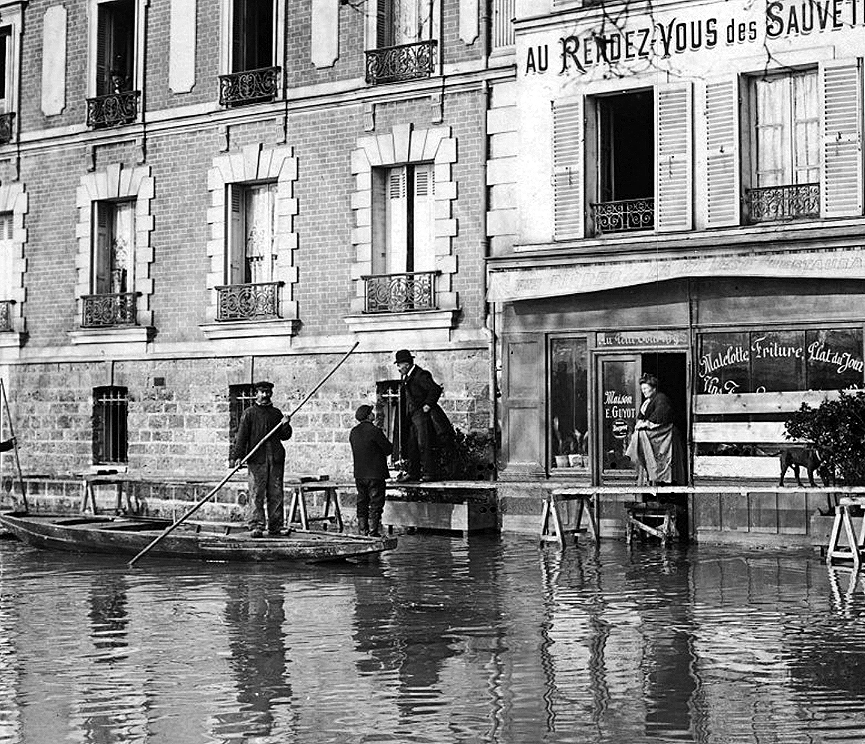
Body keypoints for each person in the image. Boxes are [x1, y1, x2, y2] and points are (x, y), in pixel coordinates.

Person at [230, 381, 293, 538]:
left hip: (275, 459)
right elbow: (241, 436)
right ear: (256, 394)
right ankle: (256, 526)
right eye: (262, 392)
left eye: (268, 392)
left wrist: (285, 425)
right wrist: (238, 456)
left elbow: (285, 436)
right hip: (257, 459)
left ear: (271, 393)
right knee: (256, 493)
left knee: (276, 494)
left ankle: (276, 526)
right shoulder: (249, 413)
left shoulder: (276, 413)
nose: (265, 395)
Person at [394, 349, 453, 482]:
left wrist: (427, 404)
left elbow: (435, 389)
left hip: (421, 416)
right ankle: (413, 472)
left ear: (407, 365)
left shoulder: (420, 375)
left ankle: (429, 473)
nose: (398, 368)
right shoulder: (407, 377)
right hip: (411, 417)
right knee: (412, 445)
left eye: (399, 365)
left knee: (424, 444)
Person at [626, 374, 686, 486]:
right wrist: (640, 423)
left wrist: (645, 424)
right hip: (658, 435)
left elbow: (660, 416)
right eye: (642, 389)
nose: (643, 391)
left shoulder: (661, 398)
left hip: (667, 437)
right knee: (639, 435)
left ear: (653, 388)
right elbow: (641, 417)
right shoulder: (647, 402)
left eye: (645, 388)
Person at [349, 404, 393, 536]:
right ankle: (373, 531)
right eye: (371, 412)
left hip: (360, 474)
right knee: (376, 503)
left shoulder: (354, 432)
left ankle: (363, 530)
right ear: (368, 416)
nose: (374, 414)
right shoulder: (374, 431)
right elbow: (388, 449)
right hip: (375, 473)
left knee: (362, 502)